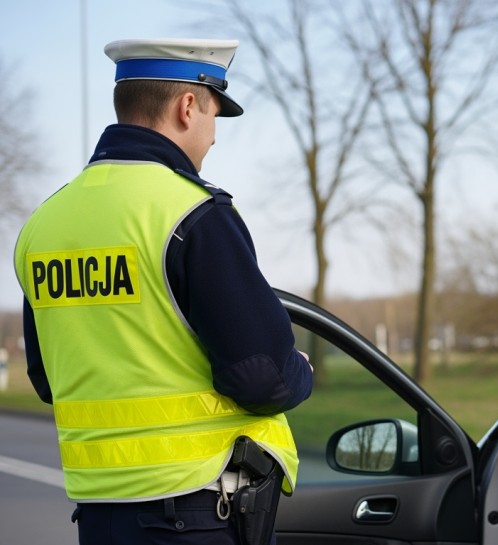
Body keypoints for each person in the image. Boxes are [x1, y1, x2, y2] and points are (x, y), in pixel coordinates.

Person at [13, 38, 314, 545]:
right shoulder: (194, 214)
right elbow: (264, 380)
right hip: (197, 513)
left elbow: (48, 379)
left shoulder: (43, 225)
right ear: (188, 106)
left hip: (98, 517)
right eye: (215, 114)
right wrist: (300, 370)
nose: (214, 137)